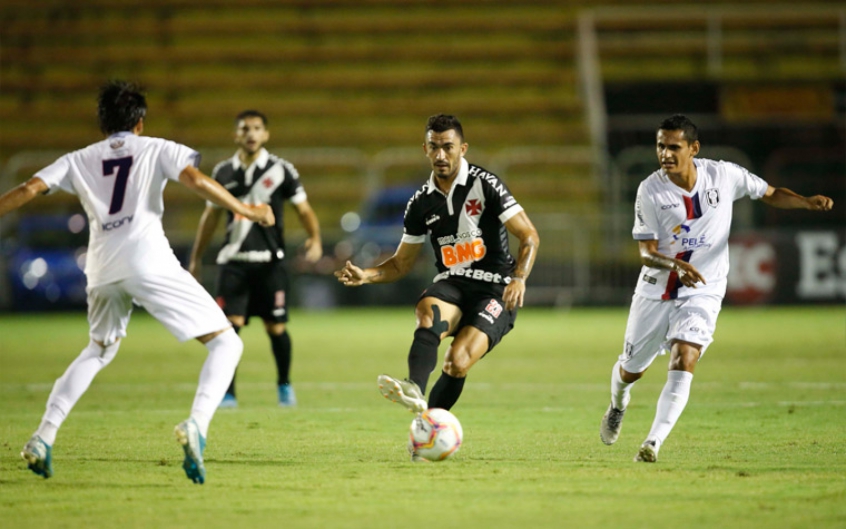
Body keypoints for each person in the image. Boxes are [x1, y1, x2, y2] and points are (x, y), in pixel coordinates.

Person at [2, 80, 274, 484]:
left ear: (102, 124)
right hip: (149, 261)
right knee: (226, 341)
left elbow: (29, 189)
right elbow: (196, 180)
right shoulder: (158, 147)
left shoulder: (79, 158)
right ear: (141, 122)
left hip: (101, 268)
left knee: (97, 350)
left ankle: (43, 436)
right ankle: (197, 425)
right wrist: (246, 210)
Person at [600, 114, 834, 463]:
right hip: (656, 290)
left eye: (673, 147)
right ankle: (619, 404)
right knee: (631, 369)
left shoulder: (724, 175)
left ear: (693, 148)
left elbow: (769, 193)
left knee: (685, 357)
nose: (665, 153)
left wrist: (804, 201)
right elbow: (647, 254)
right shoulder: (650, 189)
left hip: (704, 290)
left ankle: (652, 443)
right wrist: (676, 265)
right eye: (660, 146)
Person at [335, 114, 540, 459]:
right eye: (434, 147)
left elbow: (529, 235)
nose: (441, 154)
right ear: (425, 150)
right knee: (428, 312)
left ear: (463, 148)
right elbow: (402, 263)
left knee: (457, 363)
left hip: (495, 288)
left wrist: (519, 277)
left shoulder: (485, 184)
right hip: (454, 283)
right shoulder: (420, 203)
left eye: (448, 147)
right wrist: (367, 274)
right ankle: (415, 387)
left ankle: (428, 428)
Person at [188, 110, 322, 409]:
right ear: (236, 135)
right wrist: (196, 258)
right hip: (233, 262)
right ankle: (228, 393)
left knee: (276, 328)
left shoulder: (281, 170)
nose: (250, 133)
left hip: (270, 262)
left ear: (266, 134)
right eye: (244, 128)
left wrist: (315, 237)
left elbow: (304, 209)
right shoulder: (223, 172)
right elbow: (209, 218)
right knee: (228, 329)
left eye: (257, 128)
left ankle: (285, 387)